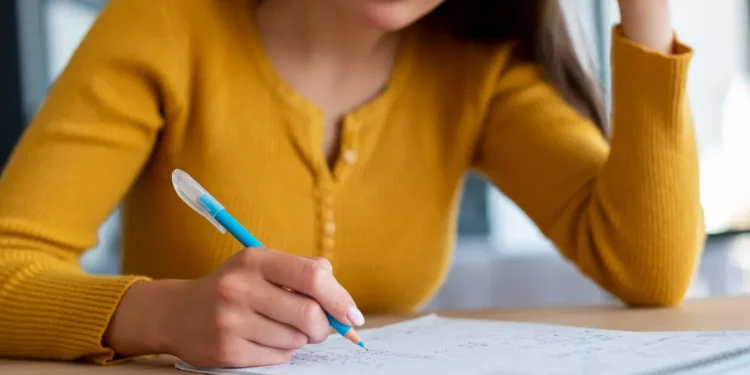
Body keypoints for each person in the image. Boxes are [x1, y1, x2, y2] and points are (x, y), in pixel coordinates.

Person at [0, 0, 703, 368]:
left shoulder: (476, 69)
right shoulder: (162, 24)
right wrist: (163, 315)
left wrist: (646, 10)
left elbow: (651, 266)